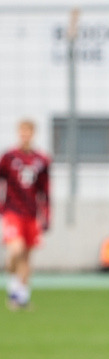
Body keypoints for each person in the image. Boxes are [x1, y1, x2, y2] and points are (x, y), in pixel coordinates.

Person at [1, 120, 49, 311]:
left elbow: (44, 190)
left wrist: (46, 214)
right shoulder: (8, 157)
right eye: (22, 132)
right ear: (18, 133)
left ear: (33, 134)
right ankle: (12, 276)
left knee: (27, 258)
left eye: (28, 132)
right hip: (13, 211)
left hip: (31, 214)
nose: (25, 135)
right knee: (16, 251)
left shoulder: (41, 160)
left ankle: (20, 297)